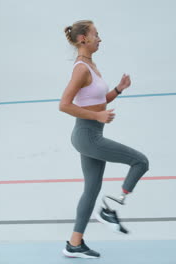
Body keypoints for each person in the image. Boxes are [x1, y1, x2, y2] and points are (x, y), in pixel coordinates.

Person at [59, 20, 150, 258]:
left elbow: (96, 101)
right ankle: (111, 207)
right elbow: (64, 105)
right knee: (140, 162)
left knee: (91, 188)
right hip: (86, 135)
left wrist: (118, 89)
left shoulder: (91, 65)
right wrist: (97, 115)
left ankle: (74, 244)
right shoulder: (80, 68)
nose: (100, 38)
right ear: (83, 39)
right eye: (96, 35)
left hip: (90, 134)